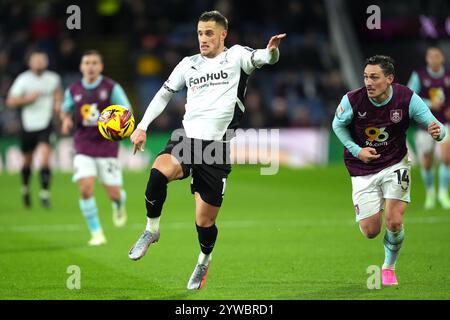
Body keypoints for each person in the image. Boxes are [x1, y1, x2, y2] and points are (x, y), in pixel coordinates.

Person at [128, 10, 285, 290]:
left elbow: (261, 57)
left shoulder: (236, 56)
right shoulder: (188, 64)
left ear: (223, 34)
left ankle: (204, 260)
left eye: (209, 33)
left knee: (204, 221)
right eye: (200, 33)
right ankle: (151, 230)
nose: (203, 38)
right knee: (157, 173)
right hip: (187, 139)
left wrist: (271, 52)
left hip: (216, 149)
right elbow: (164, 93)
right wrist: (142, 126)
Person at [332, 55, 445, 286]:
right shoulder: (353, 100)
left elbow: (436, 125)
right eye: (365, 77)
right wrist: (356, 150)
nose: (368, 82)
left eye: (374, 77)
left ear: (390, 79)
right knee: (371, 230)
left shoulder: (406, 98)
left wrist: (438, 132)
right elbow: (337, 125)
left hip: (396, 162)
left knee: (394, 221)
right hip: (362, 168)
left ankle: (389, 266)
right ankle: (378, 202)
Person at [61, 50, 131, 246]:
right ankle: (96, 233)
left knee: (114, 193)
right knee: (85, 189)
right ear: (81, 66)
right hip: (83, 144)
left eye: (94, 63)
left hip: (107, 146)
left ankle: (119, 203)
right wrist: (66, 119)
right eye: (87, 62)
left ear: (100, 67)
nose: (90, 66)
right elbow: (65, 109)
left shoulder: (110, 87)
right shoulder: (73, 90)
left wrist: (115, 121)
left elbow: (127, 110)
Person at [6, 50, 62, 208]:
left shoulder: (53, 79)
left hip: (46, 123)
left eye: (41, 60)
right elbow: (10, 101)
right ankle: (25, 189)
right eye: (35, 60)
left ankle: (44, 193)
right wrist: (28, 99)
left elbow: (58, 95)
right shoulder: (23, 80)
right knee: (27, 161)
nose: (38, 63)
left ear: (46, 62)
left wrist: (58, 105)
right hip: (28, 124)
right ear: (30, 63)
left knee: (45, 159)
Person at [407, 46, 450, 209]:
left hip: (444, 123)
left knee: (447, 158)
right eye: (431, 56)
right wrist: (431, 103)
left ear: (442, 58)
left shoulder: (447, 75)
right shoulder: (419, 76)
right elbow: (409, 96)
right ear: (427, 59)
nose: (434, 59)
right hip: (425, 126)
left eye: (437, 56)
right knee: (427, 161)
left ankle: (443, 193)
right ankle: (431, 193)